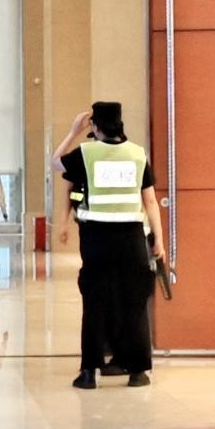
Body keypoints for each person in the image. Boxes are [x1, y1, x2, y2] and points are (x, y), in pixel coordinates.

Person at [59, 98, 160, 388]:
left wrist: (73, 131)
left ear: (94, 125)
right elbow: (150, 201)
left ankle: (89, 372)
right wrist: (159, 242)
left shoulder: (86, 152)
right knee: (134, 303)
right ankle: (137, 371)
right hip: (132, 239)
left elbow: (56, 162)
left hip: (97, 239)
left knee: (95, 304)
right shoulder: (137, 154)